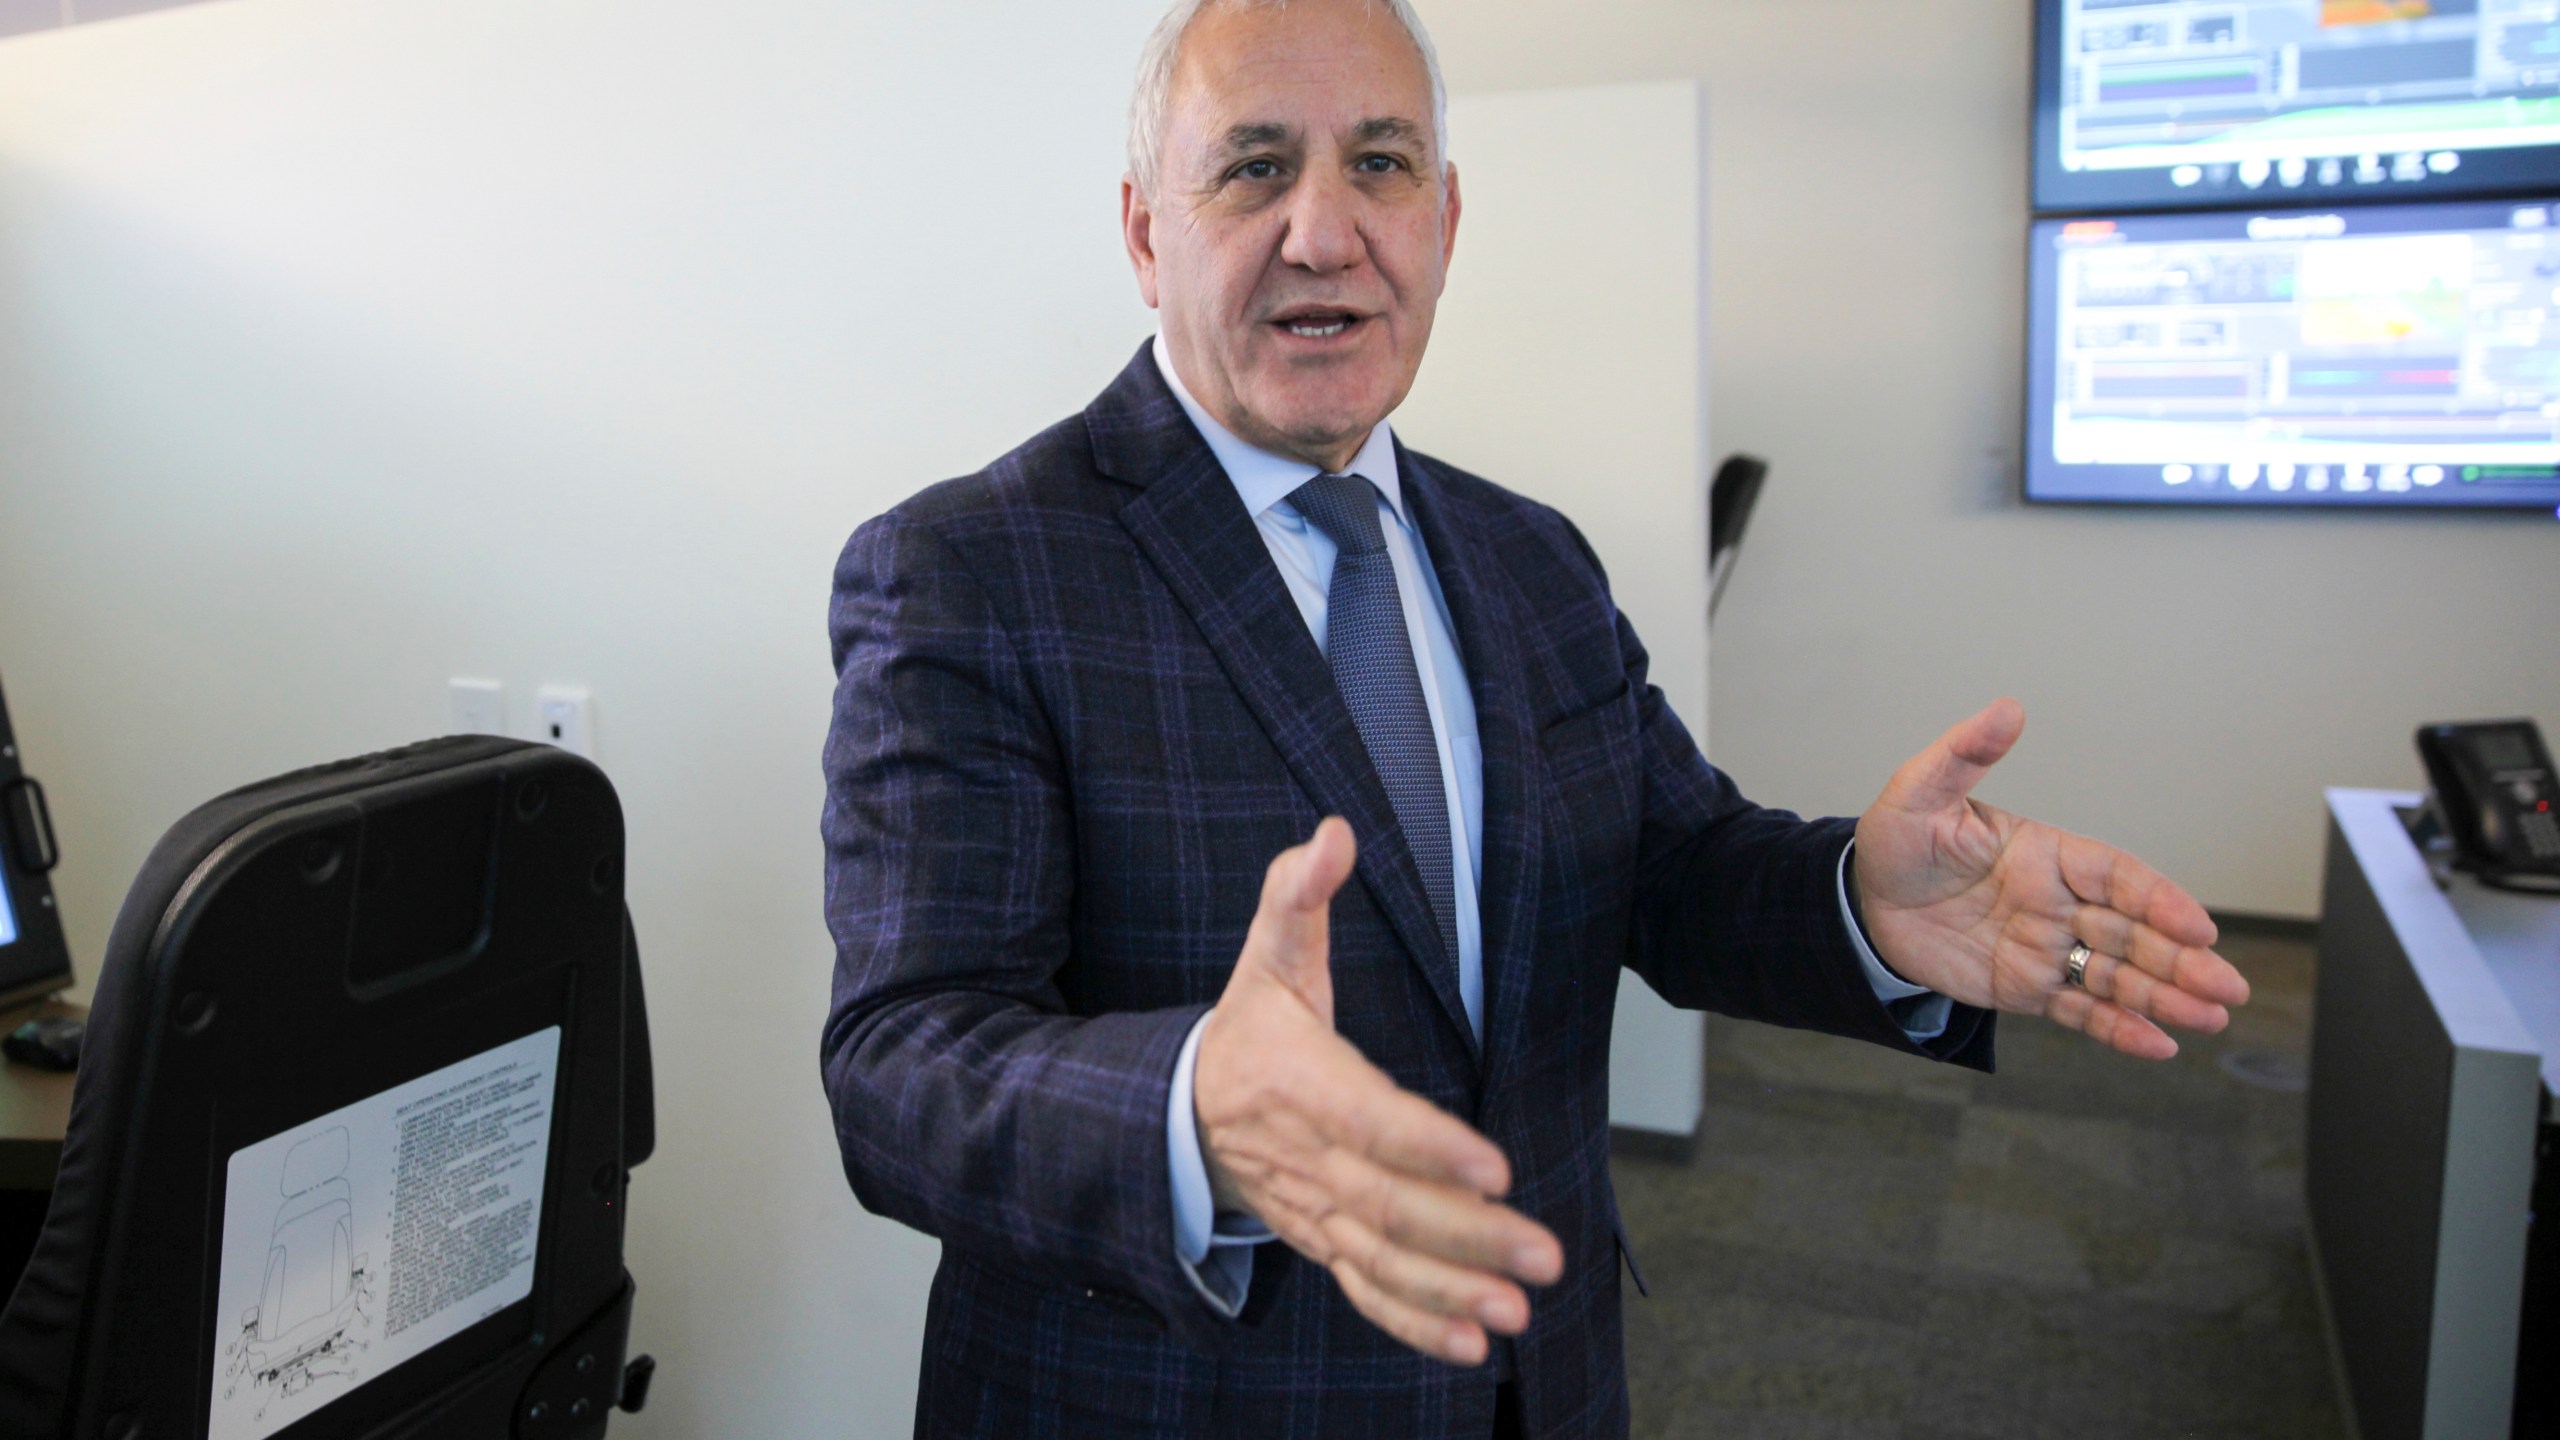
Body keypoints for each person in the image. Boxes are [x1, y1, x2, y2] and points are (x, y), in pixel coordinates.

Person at [818, 1, 2251, 1436]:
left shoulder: (1530, 557)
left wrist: (1862, 906)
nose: (1325, 231)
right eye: (1254, 168)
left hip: (1540, 1380)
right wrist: (1195, 1115)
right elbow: (901, 1062)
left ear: (1445, 220)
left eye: (1380, 164)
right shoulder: (970, 571)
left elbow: (1672, 872)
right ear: (1146, 233)